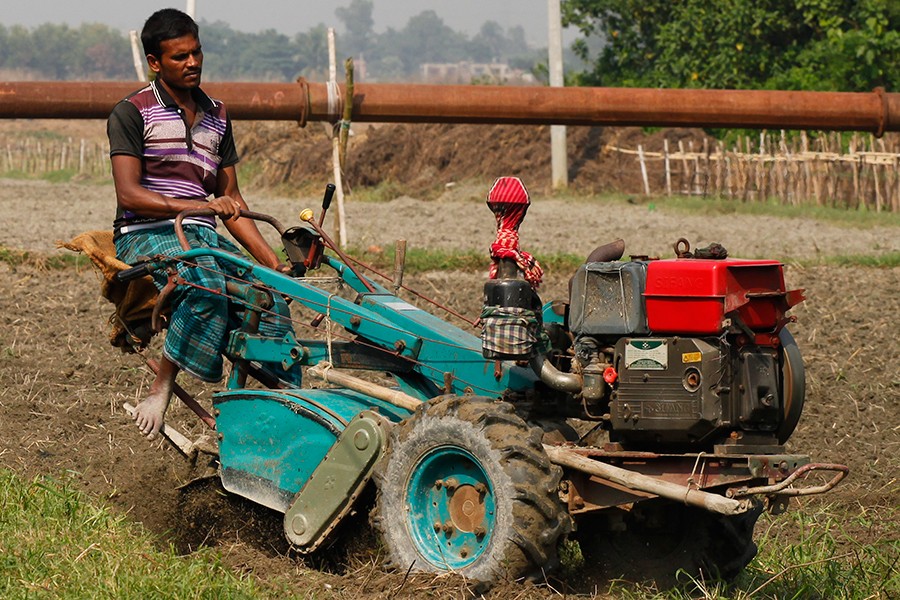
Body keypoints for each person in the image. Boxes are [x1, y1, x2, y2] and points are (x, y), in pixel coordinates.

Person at [108, 8, 295, 440]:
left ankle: (273, 413)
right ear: (155, 62)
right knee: (204, 283)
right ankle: (162, 388)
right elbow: (129, 194)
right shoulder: (132, 112)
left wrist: (273, 265)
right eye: (179, 57)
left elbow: (232, 202)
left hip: (202, 235)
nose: (192, 63)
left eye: (196, 53)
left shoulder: (217, 115)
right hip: (146, 235)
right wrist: (191, 208)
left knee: (271, 304)